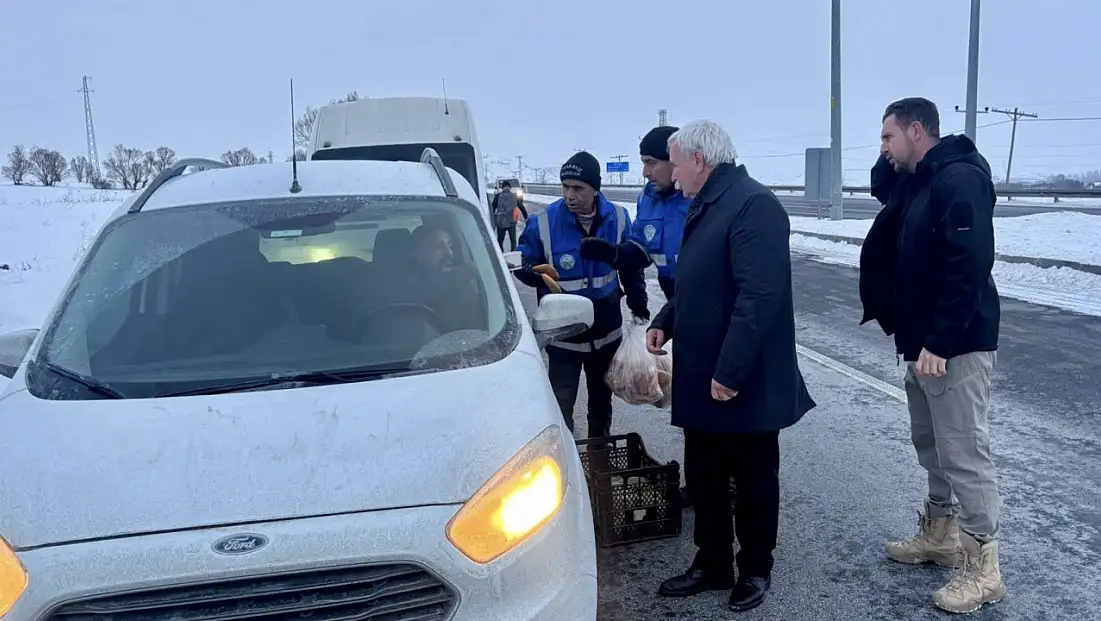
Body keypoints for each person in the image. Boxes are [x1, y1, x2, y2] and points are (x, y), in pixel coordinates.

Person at [645, 120, 815, 613]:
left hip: (742, 378)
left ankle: (755, 567)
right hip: (703, 371)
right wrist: (665, 321)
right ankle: (713, 561)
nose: (673, 174)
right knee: (705, 474)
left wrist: (730, 371)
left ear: (699, 160)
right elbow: (698, 280)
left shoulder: (753, 205)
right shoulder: (708, 202)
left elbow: (759, 296)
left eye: (676, 163)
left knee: (753, 477)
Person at [862, 97, 1005, 614]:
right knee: (932, 445)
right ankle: (941, 534)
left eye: (888, 137)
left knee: (964, 452)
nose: (883, 148)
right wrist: (891, 155)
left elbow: (970, 264)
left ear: (917, 131)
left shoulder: (958, 178)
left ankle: (983, 568)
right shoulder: (919, 178)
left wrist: (941, 341)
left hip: (955, 345)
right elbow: (881, 186)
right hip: (922, 342)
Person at [578, 125, 731, 508]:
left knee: (721, 398)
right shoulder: (648, 198)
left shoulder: (698, 197)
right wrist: (617, 255)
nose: (645, 172)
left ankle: (731, 480)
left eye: (651, 163)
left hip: (716, 310)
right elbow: (644, 249)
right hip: (681, 306)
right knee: (690, 401)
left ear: (675, 162)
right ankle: (700, 483)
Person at [513, 151, 648, 438]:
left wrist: (639, 305)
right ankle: (566, 458)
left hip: (606, 336)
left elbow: (630, 266)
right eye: (565, 187)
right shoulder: (544, 222)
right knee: (561, 406)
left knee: (601, 405)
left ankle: (599, 455)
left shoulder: (619, 218)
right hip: (563, 338)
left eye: (578, 188)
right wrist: (529, 271)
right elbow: (522, 261)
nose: (569, 195)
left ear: (594, 189)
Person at [491, 181, 527, 251]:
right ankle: (513, 253)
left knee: (500, 241)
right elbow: (521, 207)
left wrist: (491, 219)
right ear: (510, 187)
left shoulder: (498, 196)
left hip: (501, 222)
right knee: (513, 241)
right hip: (511, 222)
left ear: (502, 188)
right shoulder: (514, 196)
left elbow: (492, 208)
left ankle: (501, 253)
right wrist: (526, 217)